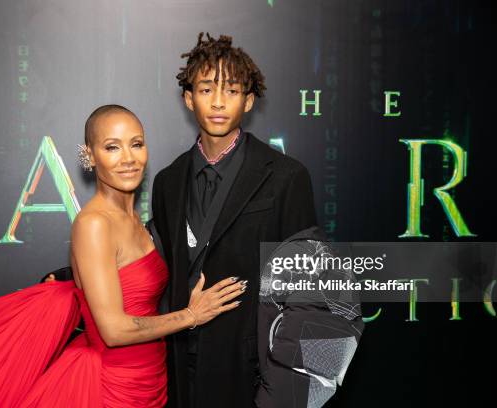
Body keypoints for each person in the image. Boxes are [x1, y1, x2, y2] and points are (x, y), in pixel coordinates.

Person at [0, 104, 246, 407]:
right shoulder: (93, 223)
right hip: (110, 388)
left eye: (136, 144)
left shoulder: (138, 221)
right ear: (90, 155)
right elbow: (113, 330)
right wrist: (191, 315)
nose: (128, 158)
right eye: (112, 147)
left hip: (150, 381)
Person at [149, 33, 363, 408]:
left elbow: (310, 292)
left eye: (231, 90)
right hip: (181, 366)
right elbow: (154, 262)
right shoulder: (168, 181)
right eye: (205, 89)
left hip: (250, 371)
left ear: (248, 101)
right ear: (188, 98)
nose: (217, 102)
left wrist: (281, 392)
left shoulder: (285, 176)